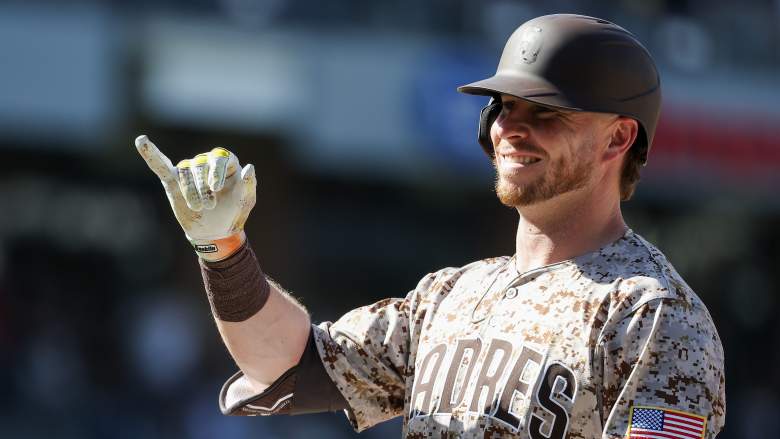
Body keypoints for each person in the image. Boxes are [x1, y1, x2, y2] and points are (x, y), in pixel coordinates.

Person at [135, 14, 725, 439]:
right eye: (502, 107)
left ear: (619, 138)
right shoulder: (452, 294)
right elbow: (288, 365)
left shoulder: (649, 315)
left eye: (546, 111)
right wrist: (224, 250)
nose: (511, 128)